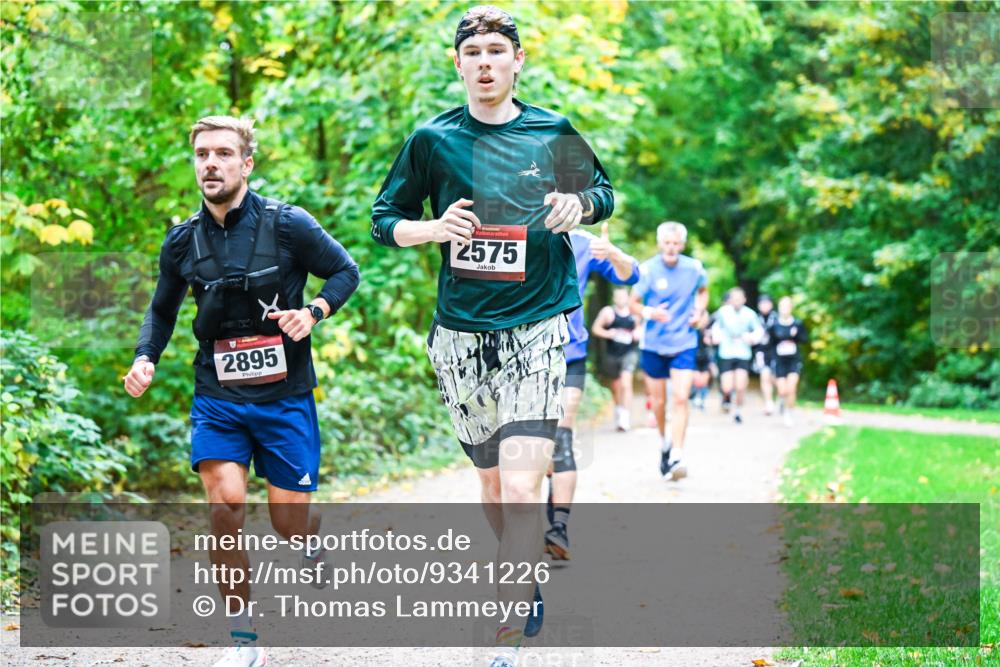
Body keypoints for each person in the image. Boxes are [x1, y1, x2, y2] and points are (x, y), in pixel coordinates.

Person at [369, 7, 614, 665]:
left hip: (537, 325)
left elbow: (603, 193)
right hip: (461, 333)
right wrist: (432, 228)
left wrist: (578, 205)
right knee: (489, 478)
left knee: (521, 483)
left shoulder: (552, 131)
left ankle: (504, 631)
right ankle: (524, 564)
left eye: (495, 51)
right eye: (472, 51)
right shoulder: (432, 139)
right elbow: (383, 218)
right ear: (459, 63)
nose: (484, 62)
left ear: (517, 61)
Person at [124, 116, 360, 667]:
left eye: (224, 153)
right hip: (219, 395)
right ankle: (243, 634)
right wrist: (144, 359)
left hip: (286, 396)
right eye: (203, 154)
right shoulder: (182, 240)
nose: (211, 163)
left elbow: (345, 271)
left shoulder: (288, 224)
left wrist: (314, 311)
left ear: (246, 164)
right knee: (225, 504)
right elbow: (161, 311)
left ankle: (310, 540)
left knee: (287, 525)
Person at [543, 227, 638, 563]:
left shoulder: (584, 242)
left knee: (561, 435)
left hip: (569, 356)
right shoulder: (514, 231)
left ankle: (559, 528)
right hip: (521, 359)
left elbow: (632, 273)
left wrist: (613, 252)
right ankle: (536, 521)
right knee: (534, 445)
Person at [630, 221, 709, 481]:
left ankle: (677, 453)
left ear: (682, 245)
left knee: (681, 398)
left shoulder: (694, 268)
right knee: (660, 403)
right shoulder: (648, 269)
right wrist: (651, 312)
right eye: (667, 243)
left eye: (676, 244)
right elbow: (633, 303)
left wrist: (699, 312)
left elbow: (703, 291)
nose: (671, 248)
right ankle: (664, 442)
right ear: (660, 244)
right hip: (653, 344)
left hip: (683, 342)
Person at [710, 287, 763, 425]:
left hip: (743, 353)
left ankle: (737, 411)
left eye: (739, 298)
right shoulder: (722, 312)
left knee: (740, 386)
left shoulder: (750, 314)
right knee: (727, 386)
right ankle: (726, 398)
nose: (737, 301)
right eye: (734, 298)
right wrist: (716, 337)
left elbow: (758, 330)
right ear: (730, 299)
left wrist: (751, 337)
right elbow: (715, 326)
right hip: (726, 352)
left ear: (744, 299)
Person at [592, 287, 641, 430]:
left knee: (626, 383)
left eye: (623, 296)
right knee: (616, 386)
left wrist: (637, 334)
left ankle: (625, 418)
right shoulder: (608, 312)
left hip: (629, 352)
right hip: (612, 353)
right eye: (618, 297)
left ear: (627, 297)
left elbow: (640, 329)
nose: (621, 299)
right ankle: (619, 410)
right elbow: (596, 329)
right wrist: (610, 334)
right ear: (614, 298)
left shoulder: (634, 312)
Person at [768, 296, 808, 427]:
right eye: (782, 306)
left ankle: (789, 413)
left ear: (791, 308)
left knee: (791, 389)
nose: (784, 309)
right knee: (782, 390)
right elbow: (769, 344)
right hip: (779, 361)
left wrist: (795, 335)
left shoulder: (797, 323)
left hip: (793, 360)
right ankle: (781, 400)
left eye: (787, 306)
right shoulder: (774, 325)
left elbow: (805, 339)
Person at [754, 294, 777, 415]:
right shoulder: (755, 319)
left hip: (775, 352)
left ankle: (779, 398)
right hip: (761, 352)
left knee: (775, 378)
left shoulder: (776, 318)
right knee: (764, 376)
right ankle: (769, 403)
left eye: (767, 303)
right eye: (762, 303)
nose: (764, 306)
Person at [690, 309, 712, 411]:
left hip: (706, 357)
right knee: (696, 380)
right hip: (694, 357)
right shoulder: (693, 330)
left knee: (704, 380)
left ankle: (701, 400)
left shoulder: (709, 330)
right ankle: (694, 397)